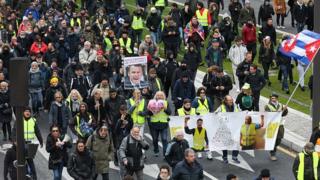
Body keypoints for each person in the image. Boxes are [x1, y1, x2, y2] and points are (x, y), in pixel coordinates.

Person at [215, 95, 240, 163]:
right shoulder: (221, 107)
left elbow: (240, 113)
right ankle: (225, 157)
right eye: (229, 100)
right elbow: (215, 115)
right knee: (225, 144)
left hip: (234, 128)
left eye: (231, 100)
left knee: (236, 142)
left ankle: (235, 156)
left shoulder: (236, 106)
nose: (231, 101)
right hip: (225, 128)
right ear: (226, 101)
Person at [265, 93, 288, 161]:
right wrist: (277, 112)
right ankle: (273, 154)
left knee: (279, 139)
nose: (273, 99)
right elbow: (268, 114)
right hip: (272, 125)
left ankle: (273, 147)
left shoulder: (280, 105)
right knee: (274, 140)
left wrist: (285, 110)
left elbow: (284, 114)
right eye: (272, 98)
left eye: (274, 98)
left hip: (280, 125)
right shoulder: (267, 106)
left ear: (277, 99)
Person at [147, 91, 171, 157]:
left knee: (164, 139)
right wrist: (151, 110)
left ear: (163, 96)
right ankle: (156, 150)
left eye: (161, 95)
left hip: (164, 123)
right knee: (155, 139)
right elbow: (148, 113)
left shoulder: (166, 102)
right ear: (155, 96)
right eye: (158, 95)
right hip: (154, 123)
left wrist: (165, 109)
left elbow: (169, 112)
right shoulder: (151, 102)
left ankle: (165, 154)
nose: (159, 96)